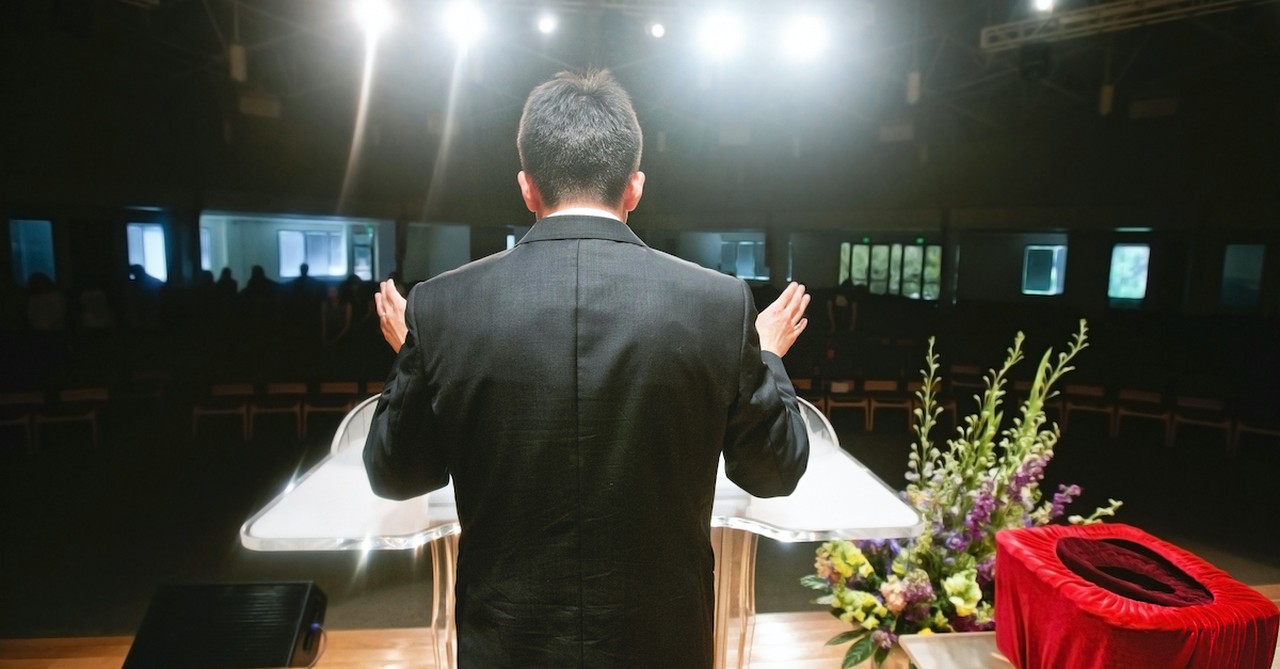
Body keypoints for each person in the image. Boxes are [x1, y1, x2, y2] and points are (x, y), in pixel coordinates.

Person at [363, 69, 811, 668]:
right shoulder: (717, 305)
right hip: (662, 643)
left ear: (527, 188)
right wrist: (769, 355)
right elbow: (774, 470)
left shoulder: (444, 307)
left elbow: (396, 472)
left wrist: (418, 355)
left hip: (505, 643)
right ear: (634, 187)